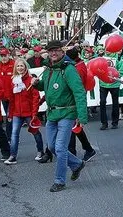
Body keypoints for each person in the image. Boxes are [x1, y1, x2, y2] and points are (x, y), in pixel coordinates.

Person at [31, 40, 87, 192]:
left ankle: (59, 181)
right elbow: (46, 85)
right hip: (52, 114)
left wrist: (82, 116)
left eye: (56, 50)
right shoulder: (49, 69)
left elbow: (79, 91)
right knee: (51, 146)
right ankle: (76, 164)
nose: (53, 53)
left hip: (67, 113)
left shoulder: (68, 69)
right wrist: (37, 84)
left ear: (62, 52)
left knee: (60, 148)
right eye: (50, 51)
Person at [4, 58, 44, 165]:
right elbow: (11, 99)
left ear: (26, 67)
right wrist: (10, 113)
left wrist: (34, 114)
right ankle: (13, 156)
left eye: (22, 66)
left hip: (29, 112)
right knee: (14, 134)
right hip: (17, 113)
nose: (20, 68)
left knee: (35, 132)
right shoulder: (13, 81)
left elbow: (35, 98)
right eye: (18, 66)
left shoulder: (31, 80)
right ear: (15, 68)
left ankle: (40, 151)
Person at [65, 47, 97, 162]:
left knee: (72, 126)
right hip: (73, 99)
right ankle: (87, 149)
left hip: (73, 100)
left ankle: (73, 152)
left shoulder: (76, 68)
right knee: (74, 127)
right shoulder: (79, 65)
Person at [99, 49, 123, 129]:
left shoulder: (118, 58)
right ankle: (104, 123)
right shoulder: (102, 58)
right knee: (102, 102)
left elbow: (122, 70)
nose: (106, 50)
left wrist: (115, 76)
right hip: (103, 84)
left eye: (108, 49)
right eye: (105, 49)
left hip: (114, 85)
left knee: (115, 103)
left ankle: (115, 122)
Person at [0, 47, 15, 142]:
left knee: (11, 116)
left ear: (8, 55)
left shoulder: (14, 64)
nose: (3, 58)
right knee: (8, 117)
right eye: (1, 56)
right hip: (3, 96)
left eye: (5, 56)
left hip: (13, 96)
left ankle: (12, 136)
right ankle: (10, 136)